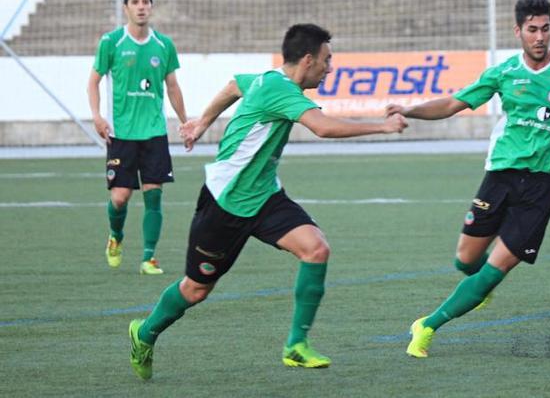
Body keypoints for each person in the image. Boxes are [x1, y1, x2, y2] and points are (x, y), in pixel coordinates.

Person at [126, 23, 406, 380]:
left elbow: (232, 86)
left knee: (316, 249)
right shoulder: (280, 89)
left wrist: (201, 124)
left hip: (265, 196)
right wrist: (381, 128)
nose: (330, 68)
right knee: (196, 290)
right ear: (308, 60)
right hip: (225, 202)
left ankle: (296, 345)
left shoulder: (267, 79)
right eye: (327, 60)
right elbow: (322, 127)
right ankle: (144, 332)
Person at [387, 0, 550, 358]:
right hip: (500, 175)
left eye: (545, 29)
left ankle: (427, 326)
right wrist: (409, 109)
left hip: (544, 184)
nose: (540, 37)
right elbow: (453, 103)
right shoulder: (504, 73)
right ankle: (479, 287)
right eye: (532, 30)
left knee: (497, 266)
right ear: (518, 31)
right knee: (465, 260)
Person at [87, 0, 187, 275]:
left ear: (151, 7)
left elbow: (172, 86)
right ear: (126, 8)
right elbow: (93, 81)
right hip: (121, 134)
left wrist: (185, 122)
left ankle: (148, 257)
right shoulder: (111, 42)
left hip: (154, 132)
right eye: (136, 2)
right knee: (120, 197)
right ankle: (116, 236)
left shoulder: (164, 45)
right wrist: (96, 116)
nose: (141, 6)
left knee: (153, 193)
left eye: (146, 1)